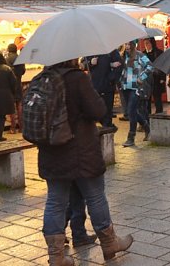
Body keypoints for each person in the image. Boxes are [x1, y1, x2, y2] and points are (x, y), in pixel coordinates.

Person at [38, 58, 133, 264]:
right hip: (81, 152)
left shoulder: (42, 79)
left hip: (52, 153)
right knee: (95, 196)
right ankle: (109, 244)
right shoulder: (77, 79)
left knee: (55, 201)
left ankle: (56, 256)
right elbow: (99, 110)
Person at [121, 41, 151, 147]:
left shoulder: (140, 55)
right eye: (126, 44)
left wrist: (141, 77)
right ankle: (146, 126)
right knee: (132, 111)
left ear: (133, 45)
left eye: (129, 44)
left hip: (136, 87)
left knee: (130, 111)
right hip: (125, 87)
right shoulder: (123, 56)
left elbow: (150, 66)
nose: (127, 46)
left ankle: (131, 137)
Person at [85, 50, 122, 130]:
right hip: (94, 85)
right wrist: (90, 62)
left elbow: (119, 65)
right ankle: (106, 128)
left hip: (107, 86)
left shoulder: (111, 50)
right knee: (95, 110)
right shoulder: (90, 50)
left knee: (107, 111)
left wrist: (111, 79)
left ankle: (108, 129)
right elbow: (83, 64)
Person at [4, 42, 26, 134]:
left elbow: (5, 72)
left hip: (10, 86)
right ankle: (21, 127)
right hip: (18, 83)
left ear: (9, 50)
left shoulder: (6, 59)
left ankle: (13, 128)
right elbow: (23, 71)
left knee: (12, 106)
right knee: (19, 105)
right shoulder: (20, 58)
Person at [144, 38, 167, 114]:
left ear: (152, 43)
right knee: (147, 98)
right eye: (145, 44)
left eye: (147, 43)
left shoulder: (159, 53)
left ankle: (159, 113)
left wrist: (163, 78)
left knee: (157, 97)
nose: (146, 45)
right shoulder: (143, 54)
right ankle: (148, 115)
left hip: (157, 78)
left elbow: (163, 65)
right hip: (147, 79)